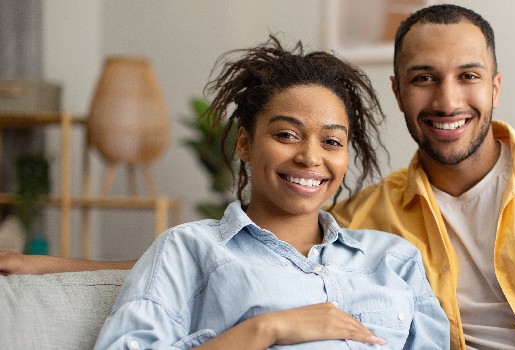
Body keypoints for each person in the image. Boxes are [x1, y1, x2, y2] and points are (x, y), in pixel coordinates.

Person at [1, 4, 515, 349]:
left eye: (467, 77)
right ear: (401, 92)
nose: (446, 99)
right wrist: (61, 264)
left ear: (495, 85)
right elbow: (252, 249)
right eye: (423, 79)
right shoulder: (380, 217)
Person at [90, 36, 449, 349]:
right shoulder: (189, 250)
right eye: (286, 135)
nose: (310, 157)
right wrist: (266, 329)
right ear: (245, 143)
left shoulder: (394, 261)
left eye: (331, 141)